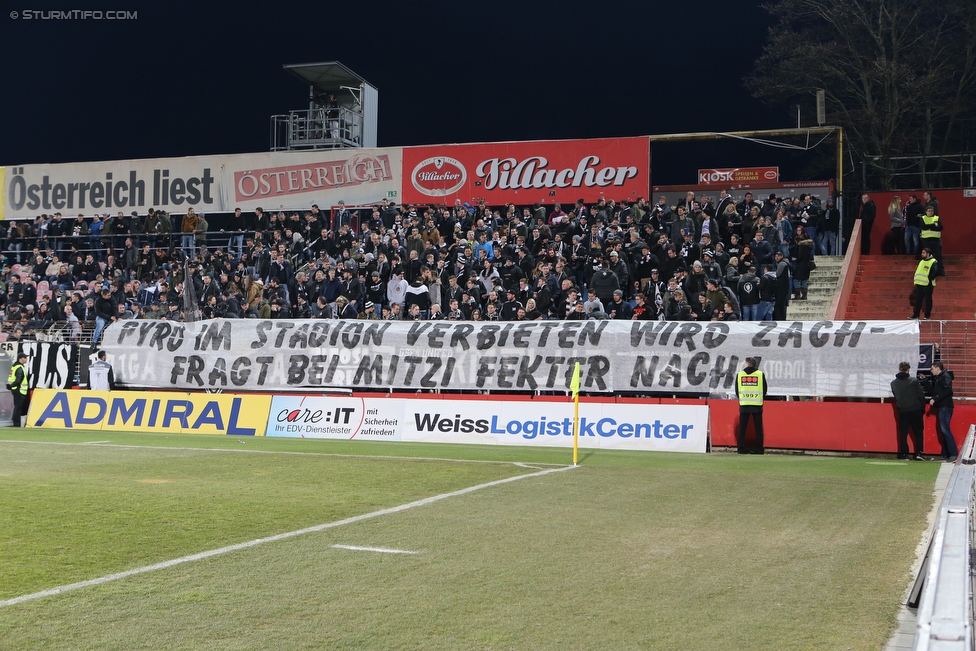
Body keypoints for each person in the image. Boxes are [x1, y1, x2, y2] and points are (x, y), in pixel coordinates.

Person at [890, 361, 925, 460]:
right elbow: (920, 395)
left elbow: (896, 396)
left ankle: (904, 453)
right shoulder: (913, 381)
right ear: (908, 369)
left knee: (903, 433)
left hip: (903, 410)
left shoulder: (893, 383)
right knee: (918, 433)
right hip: (916, 409)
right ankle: (918, 453)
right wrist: (922, 408)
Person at [735, 357, 767, 454]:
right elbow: (764, 389)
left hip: (744, 405)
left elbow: (737, 391)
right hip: (757, 405)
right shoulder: (760, 374)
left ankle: (740, 448)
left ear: (747, 364)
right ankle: (760, 449)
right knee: (758, 429)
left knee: (742, 428)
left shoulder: (740, 375)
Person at [927, 361, 958, 462]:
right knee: (944, 430)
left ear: (937, 368)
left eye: (932, 369)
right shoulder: (942, 377)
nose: (931, 371)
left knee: (945, 431)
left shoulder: (944, 377)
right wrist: (924, 382)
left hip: (945, 406)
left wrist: (935, 398)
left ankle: (953, 454)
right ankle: (946, 454)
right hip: (944, 406)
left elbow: (947, 390)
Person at [910, 248, 937, 320]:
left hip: (928, 284)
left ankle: (927, 316)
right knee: (918, 300)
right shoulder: (921, 261)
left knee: (928, 300)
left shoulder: (933, 261)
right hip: (919, 284)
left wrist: (929, 279)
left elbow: (934, 272)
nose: (922, 254)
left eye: (923, 253)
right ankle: (916, 315)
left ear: (928, 254)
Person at [919, 204, 944, 276]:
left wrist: (929, 227)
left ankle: (940, 271)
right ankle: (929, 271)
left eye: (932, 211)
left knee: (938, 256)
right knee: (928, 256)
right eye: (929, 211)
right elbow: (923, 227)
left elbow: (941, 227)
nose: (931, 212)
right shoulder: (923, 218)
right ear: (926, 212)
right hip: (926, 240)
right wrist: (933, 226)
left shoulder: (937, 218)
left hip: (936, 240)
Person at [7, 352, 29, 427]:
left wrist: (10, 385)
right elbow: (18, 380)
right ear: (21, 359)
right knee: (18, 408)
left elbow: (11, 377)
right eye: (25, 358)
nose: (26, 359)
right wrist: (12, 385)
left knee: (17, 407)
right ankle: (16, 423)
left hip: (15, 389)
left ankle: (16, 422)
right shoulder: (19, 368)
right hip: (19, 390)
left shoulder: (14, 366)